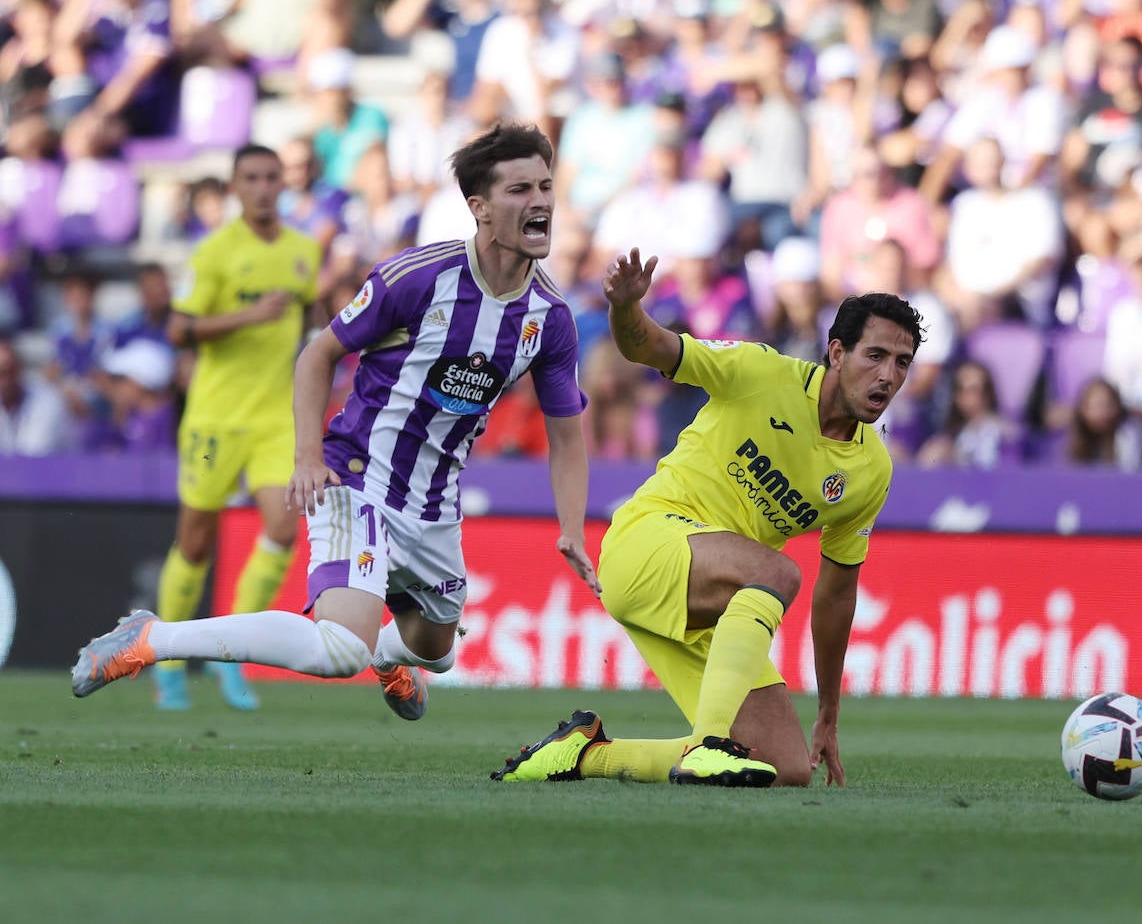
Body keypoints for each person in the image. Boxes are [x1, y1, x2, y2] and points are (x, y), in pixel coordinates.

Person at [72, 123, 599, 727]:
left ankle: (390, 658)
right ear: (479, 208)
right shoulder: (417, 279)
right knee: (338, 648)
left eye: (546, 186)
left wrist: (572, 528)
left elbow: (567, 438)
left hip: (434, 505)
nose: (539, 201)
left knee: (439, 652)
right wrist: (306, 458)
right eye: (519, 189)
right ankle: (151, 640)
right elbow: (317, 355)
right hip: (357, 473)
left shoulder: (551, 318)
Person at [492, 248, 920, 788]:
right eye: (874, 356)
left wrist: (829, 713)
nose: (887, 375)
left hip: (716, 600)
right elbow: (649, 345)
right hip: (646, 541)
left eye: (901, 363)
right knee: (780, 573)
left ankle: (582, 755)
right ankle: (707, 744)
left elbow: (836, 595)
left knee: (782, 767)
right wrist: (626, 309)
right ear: (836, 353)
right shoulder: (761, 372)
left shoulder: (870, 470)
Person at [142, 144, 323, 712]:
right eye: (253, 178)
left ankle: (234, 655)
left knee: (283, 528)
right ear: (236, 187)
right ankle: (166, 664)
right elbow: (177, 329)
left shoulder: (303, 251)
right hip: (216, 419)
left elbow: (315, 320)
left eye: (273, 177)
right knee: (195, 540)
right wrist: (248, 314)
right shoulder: (215, 251)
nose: (265, 187)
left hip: (274, 418)